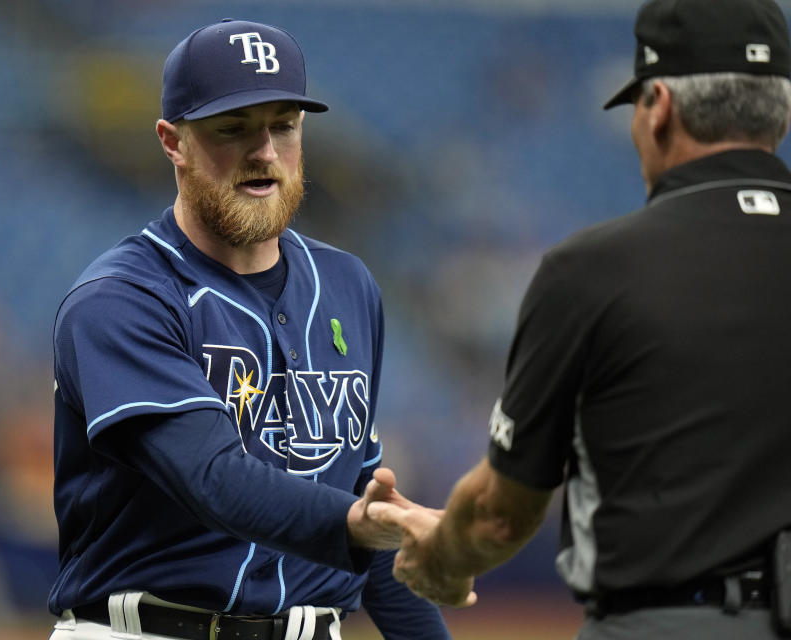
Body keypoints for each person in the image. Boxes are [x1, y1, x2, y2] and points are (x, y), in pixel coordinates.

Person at [367, 0, 791, 638]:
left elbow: (498, 517)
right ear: (779, 111)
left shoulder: (593, 269)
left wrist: (443, 559)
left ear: (660, 108)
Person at [47, 18, 450, 640]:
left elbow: (364, 495)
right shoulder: (120, 299)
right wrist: (358, 524)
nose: (263, 151)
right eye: (232, 129)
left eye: (282, 126)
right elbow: (214, 480)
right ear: (172, 141)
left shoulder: (349, 285)